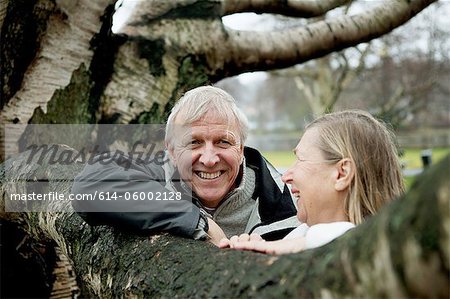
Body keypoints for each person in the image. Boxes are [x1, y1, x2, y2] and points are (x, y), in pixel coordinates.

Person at [71, 86, 299, 246]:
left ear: (240, 150)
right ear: (171, 151)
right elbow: (90, 188)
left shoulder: (282, 199)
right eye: (194, 142)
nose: (209, 159)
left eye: (223, 142)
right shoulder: (158, 170)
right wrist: (199, 223)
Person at [219, 110, 405, 254]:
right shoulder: (301, 235)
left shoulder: (386, 251)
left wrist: (283, 248)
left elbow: (355, 237)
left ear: (341, 174)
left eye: (300, 159)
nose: (286, 176)